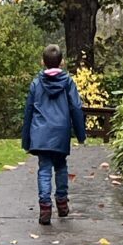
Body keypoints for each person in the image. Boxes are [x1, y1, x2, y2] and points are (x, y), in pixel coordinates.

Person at [19, 43, 88, 224]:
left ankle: (45, 207)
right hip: (60, 132)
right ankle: (62, 203)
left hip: (41, 133)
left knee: (44, 169)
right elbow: (76, 107)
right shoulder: (68, 83)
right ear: (62, 62)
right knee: (61, 167)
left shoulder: (36, 83)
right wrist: (81, 134)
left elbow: (29, 111)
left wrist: (26, 139)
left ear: (43, 62)